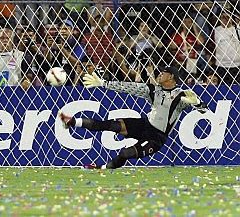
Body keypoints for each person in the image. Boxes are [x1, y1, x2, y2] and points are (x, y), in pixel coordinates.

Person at [59, 67, 208, 169]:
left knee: (125, 154)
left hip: (156, 137)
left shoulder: (183, 95)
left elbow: (204, 110)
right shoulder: (152, 90)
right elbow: (127, 87)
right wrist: (103, 83)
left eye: (163, 73)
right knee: (111, 125)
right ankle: (72, 122)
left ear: (172, 77)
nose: (159, 74)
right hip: (144, 125)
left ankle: (103, 168)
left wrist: (197, 103)